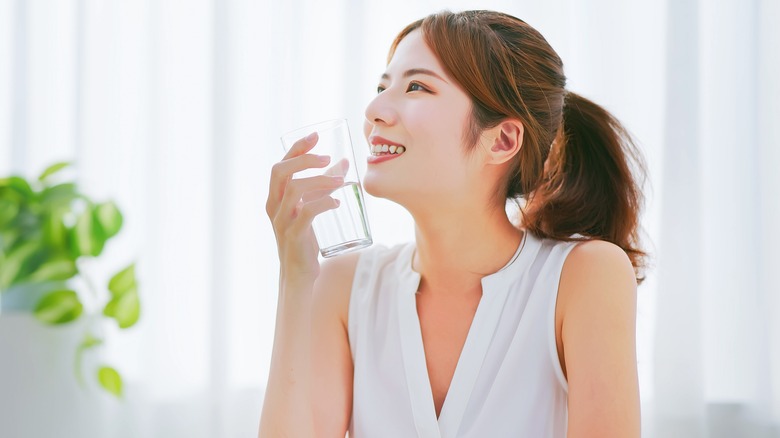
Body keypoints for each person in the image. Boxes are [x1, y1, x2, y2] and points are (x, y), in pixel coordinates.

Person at [260, 9, 646, 438]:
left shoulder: (583, 276)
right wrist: (296, 277)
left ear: (501, 140)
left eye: (417, 86)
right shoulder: (342, 287)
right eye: (381, 86)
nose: (373, 110)